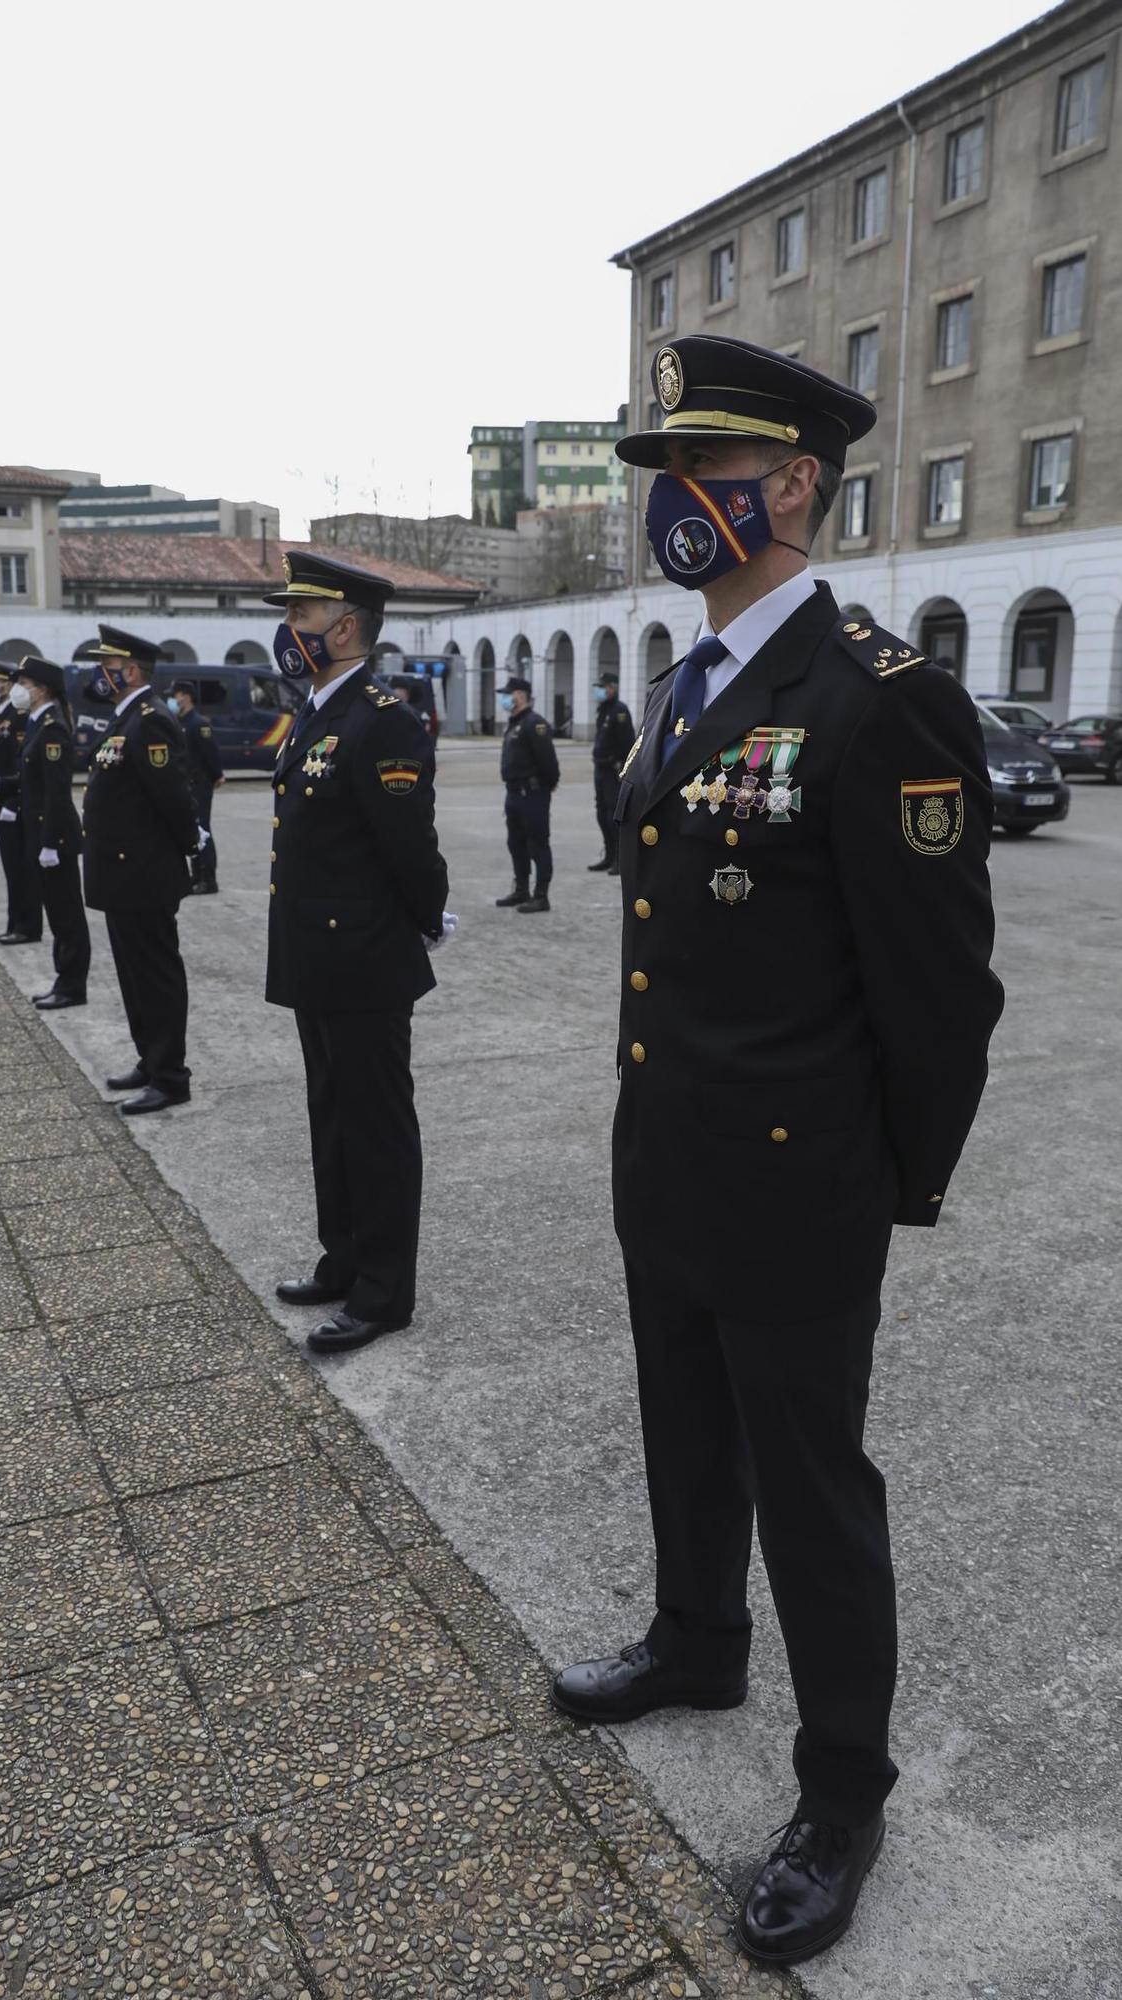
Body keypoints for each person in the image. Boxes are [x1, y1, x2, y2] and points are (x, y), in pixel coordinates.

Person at [551, 334, 1004, 1969]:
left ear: (794, 482)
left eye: (705, 466)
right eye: (664, 469)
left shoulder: (879, 698)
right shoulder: (683, 686)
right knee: (682, 1429)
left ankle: (838, 1791)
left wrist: (890, 1183)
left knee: (811, 1491)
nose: (677, 495)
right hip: (667, 1155)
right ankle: (691, 1640)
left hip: (793, 1177)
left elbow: (940, 992)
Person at [263, 551, 451, 1355]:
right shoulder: (313, 711)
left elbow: (408, 846)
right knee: (330, 1116)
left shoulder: (383, 719)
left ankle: (383, 1291)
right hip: (316, 956)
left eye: (301, 616)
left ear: (343, 628)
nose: (287, 630)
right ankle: (341, 1260)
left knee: (374, 1127)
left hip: (365, 958)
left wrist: (428, 918)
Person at [81, 625, 201, 1114]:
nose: (99, 674)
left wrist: (190, 843)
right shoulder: (125, 718)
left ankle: (171, 1076)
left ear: (129, 671)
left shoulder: (150, 720)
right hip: (122, 874)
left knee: (156, 976)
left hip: (144, 873)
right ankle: (149, 1061)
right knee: (133, 975)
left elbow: (172, 795)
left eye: (107, 666)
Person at [14, 657, 91, 1013]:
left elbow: (57, 793)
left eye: (24, 683)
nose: (19, 689)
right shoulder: (37, 724)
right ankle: (64, 979)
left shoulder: (52, 729)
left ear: (41, 689)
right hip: (42, 834)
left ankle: (72, 985)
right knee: (58, 913)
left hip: (54, 839)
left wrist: (49, 842)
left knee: (66, 915)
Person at [0, 666, 43, 946]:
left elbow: (22, 767)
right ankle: (15, 922)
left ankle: (27, 926)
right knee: (11, 869)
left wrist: (13, 803)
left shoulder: (18, 716)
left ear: (7, 685)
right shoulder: (4, 715)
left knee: (20, 870)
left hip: (12, 804)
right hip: (0, 799)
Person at [496, 676, 558, 913]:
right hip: (513, 794)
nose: (504, 698)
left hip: (532, 794)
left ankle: (541, 896)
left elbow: (549, 765)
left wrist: (543, 789)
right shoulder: (515, 722)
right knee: (516, 843)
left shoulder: (535, 724)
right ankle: (521, 889)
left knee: (537, 844)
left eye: (507, 694)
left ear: (520, 695)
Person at [166, 680, 224, 894]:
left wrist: (217, 775)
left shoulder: (198, 723)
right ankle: (196, 875)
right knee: (192, 829)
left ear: (186, 697)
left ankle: (209, 879)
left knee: (203, 831)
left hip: (200, 785)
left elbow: (211, 754)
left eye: (175, 695)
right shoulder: (180, 722)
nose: (172, 699)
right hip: (187, 785)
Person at [588, 669, 635, 873]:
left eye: (601, 687)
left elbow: (628, 744)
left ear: (612, 689)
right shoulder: (604, 710)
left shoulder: (619, 711)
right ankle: (608, 855)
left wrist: (622, 768)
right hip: (600, 769)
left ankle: (619, 859)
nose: (598, 691)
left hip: (613, 770)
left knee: (612, 815)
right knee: (601, 813)